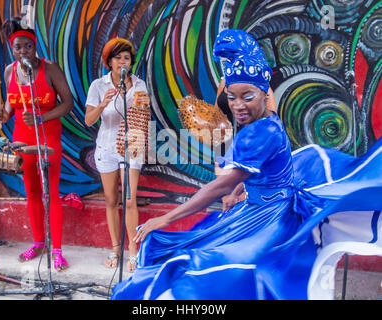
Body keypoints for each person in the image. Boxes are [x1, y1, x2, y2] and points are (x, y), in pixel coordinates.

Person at [110, 30, 382, 300]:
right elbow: (259, 171)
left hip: (272, 217)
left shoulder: (259, 133)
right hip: (261, 208)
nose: (238, 106)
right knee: (205, 258)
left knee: (207, 265)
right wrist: (240, 191)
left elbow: (221, 186)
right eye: (232, 97)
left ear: (266, 94)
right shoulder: (269, 120)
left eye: (248, 96)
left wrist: (166, 217)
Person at [0, 17, 74, 271]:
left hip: (48, 137)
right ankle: (39, 242)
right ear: (12, 48)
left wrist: (42, 117)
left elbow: (68, 103)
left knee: (50, 192)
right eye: (18, 47)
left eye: (27, 46)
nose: (23, 52)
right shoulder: (9, 71)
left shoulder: (49, 69)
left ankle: (57, 250)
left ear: (34, 45)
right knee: (31, 192)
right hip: (22, 139)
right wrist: (3, 114)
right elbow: (10, 106)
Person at [85, 38, 150, 272]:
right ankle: (115, 249)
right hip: (106, 147)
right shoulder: (98, 85)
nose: (123, 62)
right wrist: (102, 105)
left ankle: (133, 251)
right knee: (112, 200)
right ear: (109, 61)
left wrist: (139, 101)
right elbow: (89, 120)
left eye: (127, 58)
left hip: (131, 147)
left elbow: (142, 114)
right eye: (118, 57)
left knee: (130, 200)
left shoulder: (139, 84)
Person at [213, 29, 277, 212]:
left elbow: (270, 118)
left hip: (249, 148)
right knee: (227, 200)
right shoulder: (224, 81)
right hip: (224, 146)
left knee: (243, 201)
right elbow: (217, 114)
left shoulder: (260, 85)